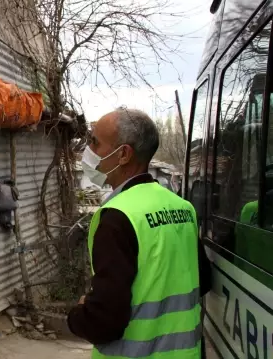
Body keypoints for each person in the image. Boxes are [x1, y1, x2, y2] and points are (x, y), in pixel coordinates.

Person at [67, 108, 212, 358]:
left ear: (123, 154)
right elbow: (203, 281)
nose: (88, 151)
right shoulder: (182, 207)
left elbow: (105, 321)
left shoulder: (117, 216)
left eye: (95, 142)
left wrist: (78, 315)